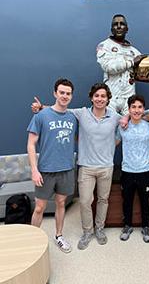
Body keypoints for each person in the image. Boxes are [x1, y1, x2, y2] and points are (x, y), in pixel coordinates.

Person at [32, 83, 121, 250]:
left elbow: (132, 118)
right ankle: (88, 231)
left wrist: (110, 146)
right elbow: (58, 110)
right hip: (86, 167)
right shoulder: (81, 113)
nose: (100, 99)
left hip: (106, 167)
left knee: (103, 200)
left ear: (108, 98)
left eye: (103, 96)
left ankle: (99, 229)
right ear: (91, 98)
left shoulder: (115, 116)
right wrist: (41, 107)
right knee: (85, 201)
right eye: (96, 96)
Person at [27, 78, 77, 253]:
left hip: (66, 168)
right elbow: (31, 144)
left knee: (61, 203)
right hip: (46, 170)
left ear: (71, 96)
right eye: (61, 92)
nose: (64, 96)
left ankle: (59, 236)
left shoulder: (72, 117)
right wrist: (34, 169)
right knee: (40, 207)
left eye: (68, 93)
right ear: (55, 93)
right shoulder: (41, 116)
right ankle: (33, 239)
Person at [116, 94, 149, 243]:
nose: (137, 110)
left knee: (145, 202)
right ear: (129, 109)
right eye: (133, 107)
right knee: (127, 201)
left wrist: (146, 117)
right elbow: (115, 143)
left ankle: (145, 226)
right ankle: (127, 226)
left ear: (143, 108)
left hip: (144, 170)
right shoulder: (122, 126)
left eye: (140, 107)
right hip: (127, 171)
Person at [96, 14, 142, 115]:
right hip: (111, 97)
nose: (119, 26)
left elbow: (141, 75)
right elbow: (108, 67)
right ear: (111, 29)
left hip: (129, 98)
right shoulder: (104, 46)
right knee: (109, 128)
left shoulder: (135, 52)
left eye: (122, 24)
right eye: (115, 24)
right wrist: (131, 62)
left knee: (129, 128)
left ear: (127, 29)